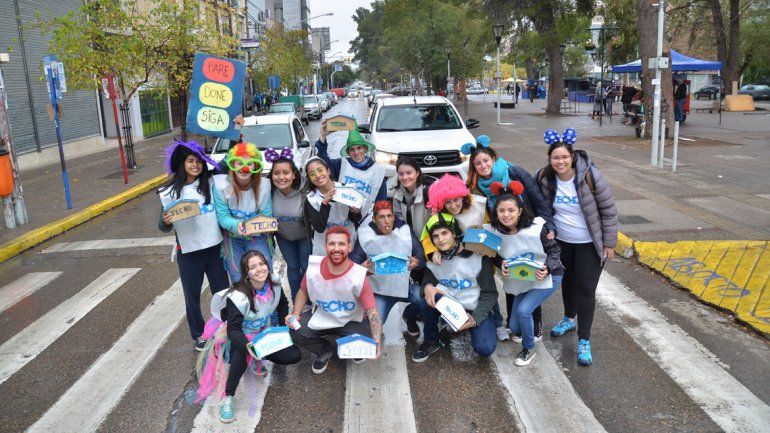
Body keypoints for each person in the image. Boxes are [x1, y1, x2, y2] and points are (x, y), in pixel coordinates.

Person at [536, 128, 618, 366]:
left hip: (589, 244)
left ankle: (584, 339)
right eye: (555, 158)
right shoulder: (544, 177)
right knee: (567, 284)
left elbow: (609, 211)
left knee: (585, 290)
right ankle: (569, 318)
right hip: (561, 244)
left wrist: (610, 243)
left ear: (572, 156)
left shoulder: (590, 176)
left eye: (564, 157)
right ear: (550, 160)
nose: (560, 161)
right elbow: (537, 204)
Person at [464, 135, 555, 341]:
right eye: (478, 163)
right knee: (511, 275)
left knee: (532, 275)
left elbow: (538, 200)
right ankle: (513, 324)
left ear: (494, 159)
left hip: (526, 230)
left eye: (486, 161)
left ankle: (536, 324)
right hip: (502, 233)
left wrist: (549, 225)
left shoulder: (514, 172)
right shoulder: (476, 186)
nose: (483, 165)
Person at [195, 251, 301, 423]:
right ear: (246, 273)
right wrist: (248, 346)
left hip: (263, 335)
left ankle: (258, 360)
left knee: (294, 354)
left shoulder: (274, 285)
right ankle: (227, 396)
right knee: (240, 355)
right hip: (239, 338)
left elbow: (282, 305)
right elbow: (234, 330)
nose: (259, 269)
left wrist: (283, 327)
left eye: (261, 264)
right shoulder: (238, 297)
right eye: (253, 267)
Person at [158, 140, 230, 351]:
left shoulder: (211, 182)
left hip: (214, 249)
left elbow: (226, 163)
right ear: (182, 164)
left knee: (222, 292)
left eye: (199, 161)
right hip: (188, 253)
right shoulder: (169, 191)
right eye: (191, 161)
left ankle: (225, 327)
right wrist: (166, 221)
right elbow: (163, 226)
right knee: (192, 296)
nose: (196, 165)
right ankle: (198, 334)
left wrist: (237, 134)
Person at [286, 227, 384, 374]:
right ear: (325, 246)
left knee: (374, 337)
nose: (336, 248)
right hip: (321, 316)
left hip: (351, 320)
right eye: (332, 244)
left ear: (349, 247)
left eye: (341, 244)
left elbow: (373, 312)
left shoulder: (358, 275)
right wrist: (296, 313)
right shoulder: (313, 268)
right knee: (294, 330)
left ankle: (354, 348)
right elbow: (303, 290)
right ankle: (323, 349)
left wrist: (376, 342)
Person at [485, 182, 563, 366]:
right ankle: (525, 331)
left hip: (548, 276)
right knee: (513, 326)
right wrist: (500, 264)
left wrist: (547, 268)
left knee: (524, 310)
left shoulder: (536, 228)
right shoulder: (495, 232)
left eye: (511, 210)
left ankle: (529, 349)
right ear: (496, 211)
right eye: (502, 210)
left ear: (520, 210)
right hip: (523, 278)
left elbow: (555, 252)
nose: (506, 215)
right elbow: (495, 255)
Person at [412, 213, 498, 362]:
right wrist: (427, 287)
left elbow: (490, 293)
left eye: (445, 233)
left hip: (474, 307)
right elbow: (427, 282)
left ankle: (472, 325)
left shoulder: (477, 256)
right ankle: (431, 340)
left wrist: (475, 318)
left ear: (454, 233)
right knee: (428, 297)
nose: (441, 239)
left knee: (485, 348)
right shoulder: (433, 259)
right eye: (436, 236)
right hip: (451, 306)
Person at [352, 200, 425, 333]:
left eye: (389, 216)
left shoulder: (404, 230)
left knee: (426, 301)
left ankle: (410, 316)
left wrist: (417, 262)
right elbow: (353, 265)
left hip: (404, 285)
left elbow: (420, 254)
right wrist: (361, 268)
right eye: (381, 217)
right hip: (381, 291)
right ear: (374, 219)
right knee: (373, 327)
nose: (387, 221)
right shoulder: (365, 235)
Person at [213, 142, 273, 281]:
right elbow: (222, 217)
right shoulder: (221, 186)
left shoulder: (263, 186)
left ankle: (267, 302)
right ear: (232, 165)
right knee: (237, 277)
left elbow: (267, 214)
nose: (244, 168)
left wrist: (264, 225)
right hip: (233, 239)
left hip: (256, 237)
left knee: (263, 274)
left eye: (250, 163)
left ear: (256, 166)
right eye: (239, 162)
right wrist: (237, 225)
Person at [315, 120, 386, 217]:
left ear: (365, 149)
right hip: (343, 219)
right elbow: (322, 161)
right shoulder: (341, 165)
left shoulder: (377, 171)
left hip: (368, 219)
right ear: (348, 152)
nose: (356, 152)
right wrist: (323, 136)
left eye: (359, 148)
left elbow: (382, 202)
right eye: (352, 149)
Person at [267, 148, 309, 301]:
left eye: (286, 173)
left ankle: (309, 301)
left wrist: (323, 140)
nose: (281, 177)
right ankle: (296, 300)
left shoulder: (304, 189)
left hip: (304, 236)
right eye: (276, 173)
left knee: (305, 267)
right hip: (283, 236)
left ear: (294, 174)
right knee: (292, 267)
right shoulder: (268, 191)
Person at [304, 157, 362, 255]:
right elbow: (319, 227)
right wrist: (325, 203)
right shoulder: (312, 199)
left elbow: (356, 219)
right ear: (310, 179)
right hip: (324, 244)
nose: (318, 175)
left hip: (347, 239)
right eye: (312, 174)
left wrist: (355, 212)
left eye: (320, 170)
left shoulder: (346, 189)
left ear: (328, 171)